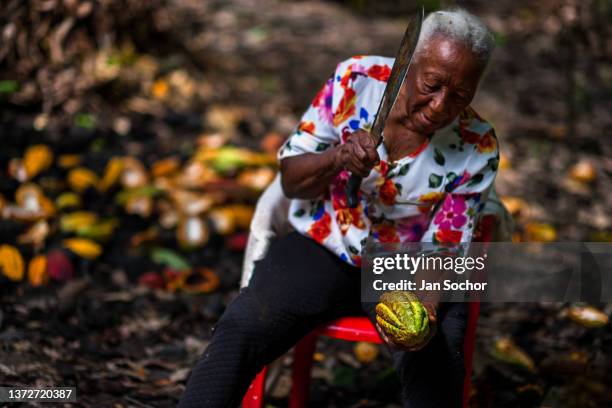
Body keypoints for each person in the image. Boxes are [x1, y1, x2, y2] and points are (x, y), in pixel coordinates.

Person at [179, 9, 503, 408]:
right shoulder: (356, 81)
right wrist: (337, 158)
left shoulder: (477, 143)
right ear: (412, 63)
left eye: (460, 96)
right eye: (432, 84)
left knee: (434, 363)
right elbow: (291, 180)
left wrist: (424, 304)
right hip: (325, 243)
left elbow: (448, 246)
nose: (439, 106)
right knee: (243, 327)